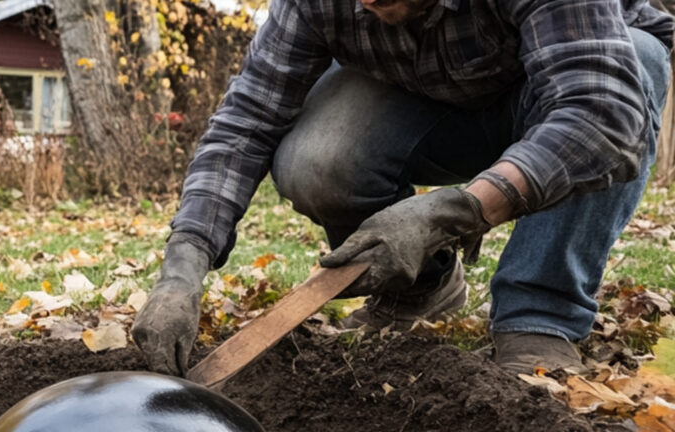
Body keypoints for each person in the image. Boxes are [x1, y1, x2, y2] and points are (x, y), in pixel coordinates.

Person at [132, 0, 674, 376]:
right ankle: (421, 287)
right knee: (317, 157)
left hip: (562, 94)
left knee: (638, 62)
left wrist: (454, 212)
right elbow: (246, 121)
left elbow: (600, 116)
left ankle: (540, 315)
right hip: (434, 106)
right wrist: (183, 266)